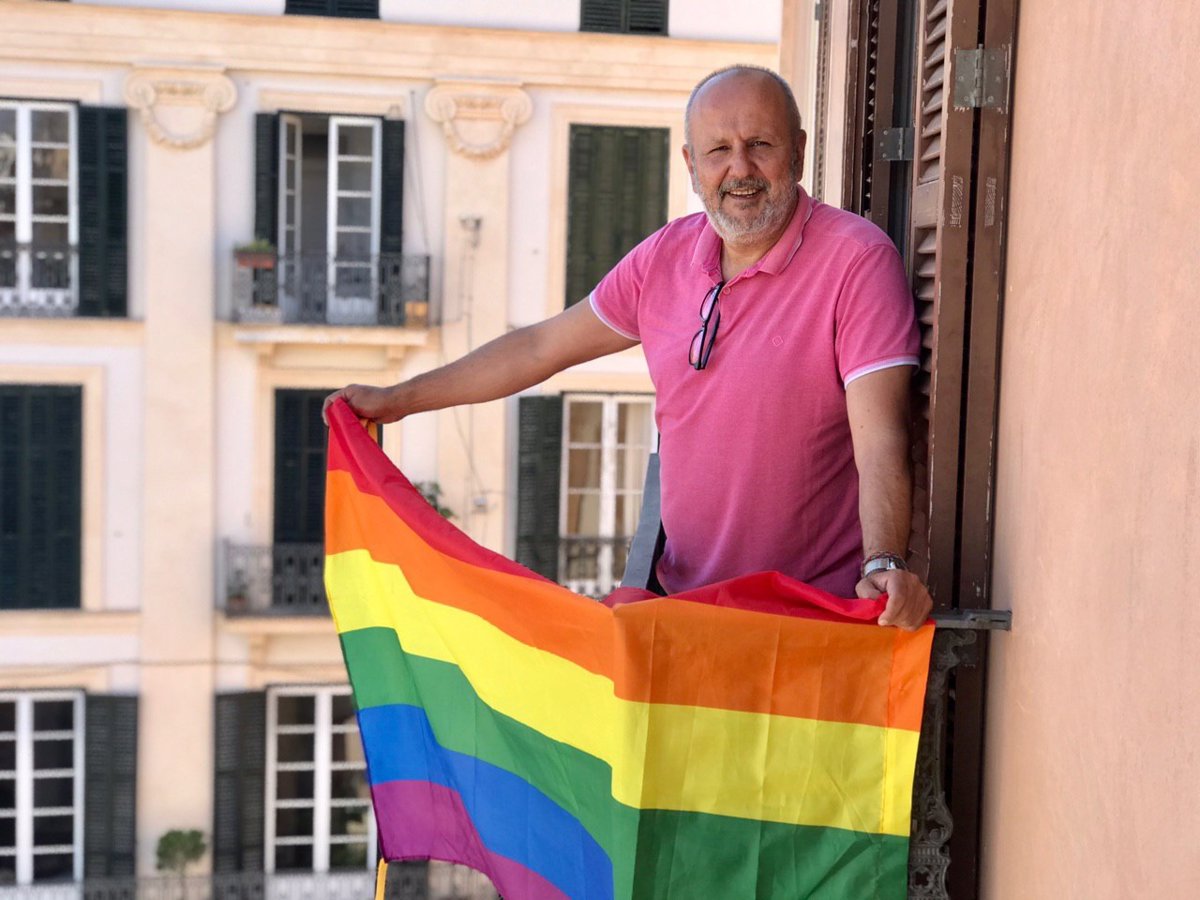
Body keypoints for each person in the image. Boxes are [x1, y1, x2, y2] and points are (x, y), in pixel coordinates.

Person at [323, 65, 933, 630]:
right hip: (681, 614)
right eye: (718, 150)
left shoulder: (857, 261)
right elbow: (538, 348)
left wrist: (883, 560)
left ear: (797, 151)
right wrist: (399, 400)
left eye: (760, 144)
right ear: (691, 164)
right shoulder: (664, 257)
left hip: (808, 621)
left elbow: (880, 438)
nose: (740, 168)